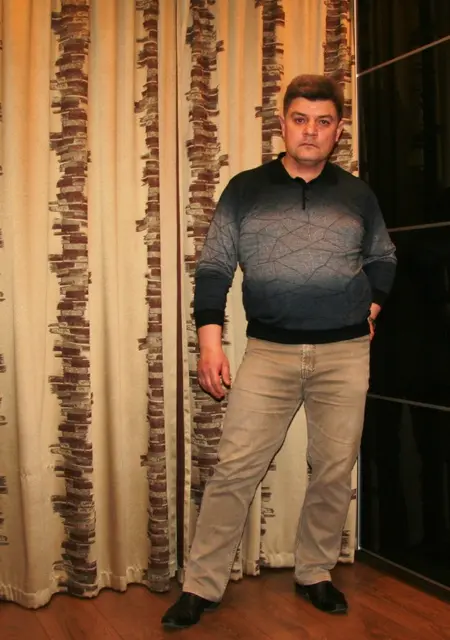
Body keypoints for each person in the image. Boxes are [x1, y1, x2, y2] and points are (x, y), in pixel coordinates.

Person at [162, 74, 397, 629]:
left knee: (333, 470)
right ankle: (200, 585)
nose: (310, 130)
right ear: (283, 124)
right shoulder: (245, 189)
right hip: (269, 353)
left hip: (345, 354)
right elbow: (215, 266)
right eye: (300, 119)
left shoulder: (357, 194)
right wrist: (210, 341)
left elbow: (383, 256)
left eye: (323, 121)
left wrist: (371, 307)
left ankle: (314, 571)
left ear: (337, 130)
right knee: (235, 468)